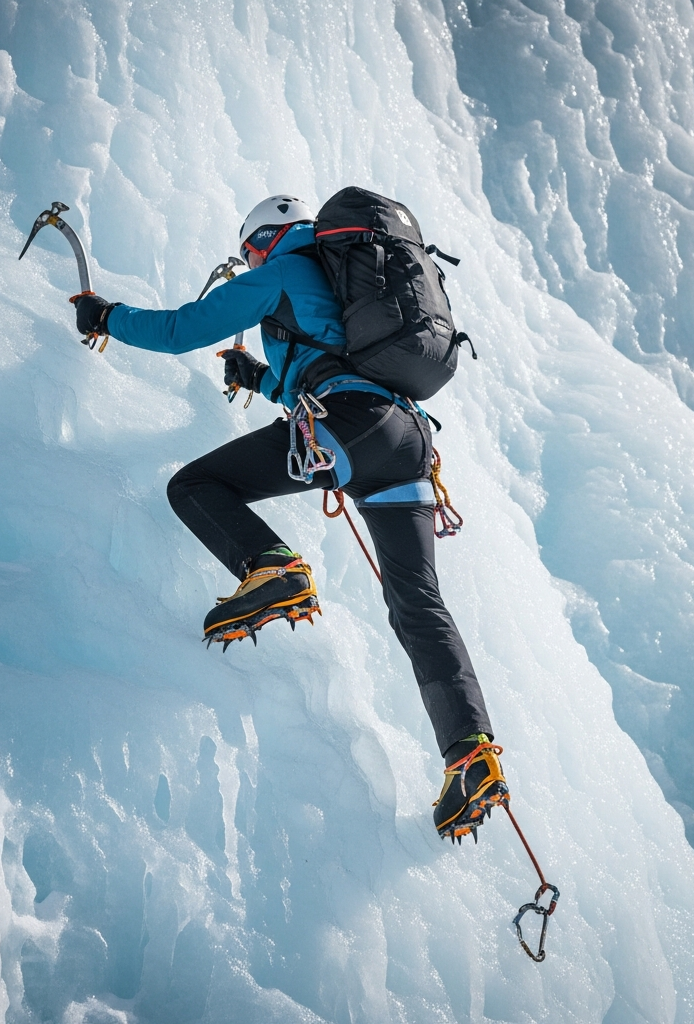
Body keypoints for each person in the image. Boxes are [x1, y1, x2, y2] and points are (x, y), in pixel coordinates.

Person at [73, 195, 507, 841]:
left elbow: (182, 330)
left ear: (263, 241)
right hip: (407, 440)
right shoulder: (343, 275)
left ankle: (272, 567)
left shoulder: (281, 268)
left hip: (350, 428)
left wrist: (109, 315)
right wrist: (264, 381)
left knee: (196, 485)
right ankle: (471, 753)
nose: (247, 260)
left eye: (248, 251)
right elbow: (334, 361)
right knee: (417, 603)